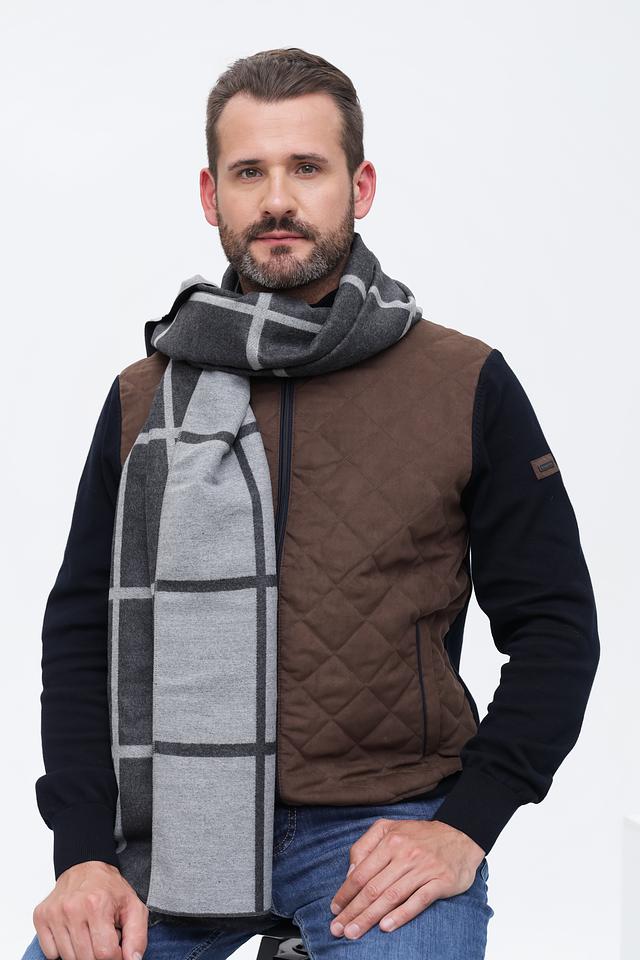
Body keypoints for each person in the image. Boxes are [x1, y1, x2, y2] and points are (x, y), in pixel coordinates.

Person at [21, 47, 600, 960]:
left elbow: (557, 627)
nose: (278, 200)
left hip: (380, 826)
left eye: (307, 167)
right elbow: (79, 634)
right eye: (249, 172)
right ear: (211, 196)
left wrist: (466, 826)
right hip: (173, 832)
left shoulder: (463, 381)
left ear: (359, 188)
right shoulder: (144, 397)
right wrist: (84, 855)